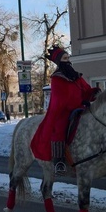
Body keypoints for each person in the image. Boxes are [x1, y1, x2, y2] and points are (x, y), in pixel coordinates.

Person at [30, 46, 97, 176]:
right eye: (65, 58)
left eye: (68, 58)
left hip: (81, 108)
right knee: (59, 129)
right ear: (59, 61)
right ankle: (59, 160)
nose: (68, 60)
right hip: (64, 111)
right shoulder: (56, 78)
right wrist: (79, 103)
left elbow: (86, 89)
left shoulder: (76, 76)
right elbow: (61, 99)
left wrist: (93, 93)